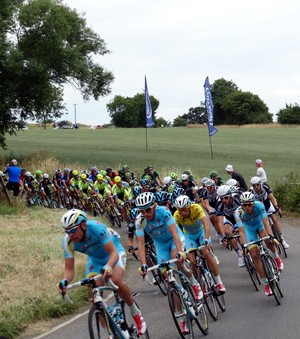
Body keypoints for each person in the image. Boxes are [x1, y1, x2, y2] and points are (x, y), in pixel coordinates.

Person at [57, 209, 147, 335]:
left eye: (72, 230)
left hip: (114, 253)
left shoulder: (96, 228)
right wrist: (64, 281)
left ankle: (135, 311)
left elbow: (113, 253)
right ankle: (110, 332)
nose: (70, 234)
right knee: (95, 293)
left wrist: (109, 266)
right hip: (95, 260)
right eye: (67, 231)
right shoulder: (67, 242)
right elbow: (69, 270)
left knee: (115, 280)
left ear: (83, 225)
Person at [134, 192, 202, 334]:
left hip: (174, 240)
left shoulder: (163, 212)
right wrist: (143, 264)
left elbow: (175, 233)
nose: (145, 214)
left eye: (147, 210)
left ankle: (193, 283)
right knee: (167, 277)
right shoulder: (140, 221)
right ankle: (181, 317)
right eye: (142, 211)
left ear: (155, 206)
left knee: (177, 260)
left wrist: (180, 251)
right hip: (160, 245)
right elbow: (141, 245)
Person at [234, 192, 284, 296]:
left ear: (253, 203)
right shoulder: (238, 213)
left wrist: (271, 236)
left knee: (267, 240)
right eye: (244, 205)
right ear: (241, 205)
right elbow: (242, 231)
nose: (247, 207)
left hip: (260, 225)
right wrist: (244, 246)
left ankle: (276, 258)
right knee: (254, 254)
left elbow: (266, 222)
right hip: (249, 229)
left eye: (249, 204)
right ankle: (266, 283)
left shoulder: (259, 206)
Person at [173, 195, 226, 295]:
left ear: (189, 207)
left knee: (206, 253)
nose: (183, 212)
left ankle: (219, 282)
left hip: (201, 232)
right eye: (180, 210)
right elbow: (175, 231)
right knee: (192, 261)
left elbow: (206, 223)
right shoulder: (176, 215)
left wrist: (206, 239)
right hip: (189, 236)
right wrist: (181, 244)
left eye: (185, 210)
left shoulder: (196, 207)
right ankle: (200, 282)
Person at [250, 176, 289, 249]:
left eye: (257, 184)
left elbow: (272, 198)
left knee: (274, 219)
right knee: (264, 224)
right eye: (254, 185)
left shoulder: (265, 186)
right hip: (259, 209)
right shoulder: (251, 191)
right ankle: (271, 238)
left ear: (260, 184)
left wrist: (277, 206)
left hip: (267, 205)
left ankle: (282, 239)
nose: (256, 187)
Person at [215, 185, 245, 267]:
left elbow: (245, 211)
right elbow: (220, 222)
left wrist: (239, 227)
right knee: (228, 232)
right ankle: (240, 255)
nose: (223, 200)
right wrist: (223, 236)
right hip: (229, 219)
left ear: (230, 195)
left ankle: (247, 247)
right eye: (221, 198)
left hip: (240, 216)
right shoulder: (219, 204)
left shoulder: (237, 198)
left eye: (226, 197)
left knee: (241, 232)